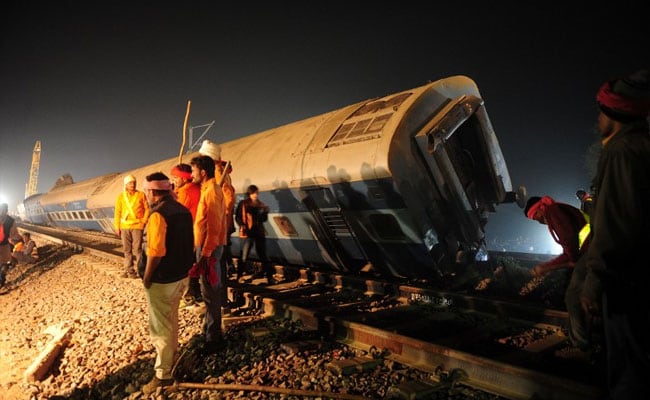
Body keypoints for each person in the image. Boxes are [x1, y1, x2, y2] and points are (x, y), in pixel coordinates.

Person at [583, 69, 650, 399]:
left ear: (615, 113)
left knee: (629, 372)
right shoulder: (641, 146)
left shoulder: (622, 152)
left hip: (627, 281)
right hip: (637, 274)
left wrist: (594, 282)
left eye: (601, 111)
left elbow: (615, 224)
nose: (598, 119)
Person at [139, 172, 195, 394]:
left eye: (146, 192)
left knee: (160, 328)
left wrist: (147, 277)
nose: (146, 195)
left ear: (152, 192)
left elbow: (155, 252)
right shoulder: (183, 210)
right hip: (181, 276)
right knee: (171, 320)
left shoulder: (158, 215)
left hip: (163, 280)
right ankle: (172, 359)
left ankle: (163, 375)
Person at [190, 155, 227, 351]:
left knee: (211, 292)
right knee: (207, 291)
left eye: (194, 171)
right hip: (205, 247)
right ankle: (208, 331)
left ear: (203, 172)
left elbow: (214, 226)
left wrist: (205, 253)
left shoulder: (212, 191)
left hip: (209, 249)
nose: (192, 175)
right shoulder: (207, 189)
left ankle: (214, 339)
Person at [199, 139, 236, 304]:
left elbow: (229, 197)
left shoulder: (218, 173)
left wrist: (220, 213)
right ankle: (219, 299)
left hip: (218, 225)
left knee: (217, 262)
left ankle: (219, 300)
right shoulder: (219, 172)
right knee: (218, 262)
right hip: (220, 223)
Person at [170, 163, 202, 305]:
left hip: (186, 233)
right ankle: (196, 293)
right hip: (196, 232)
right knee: (193, 264)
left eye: (176, 178)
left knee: (186, 266)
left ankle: (190, 295)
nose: (174, 180)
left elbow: (178, 212)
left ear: (183, 179)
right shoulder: (197, 188)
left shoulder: (185, 192)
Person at [235, 184, 273, 284]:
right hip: (247, 233)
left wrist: (265, 213)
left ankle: (269, 277)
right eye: (253, 193)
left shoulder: (260, 204)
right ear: (249, 194)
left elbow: (263, 220)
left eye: (256, 193)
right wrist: (242, 225)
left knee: (263, 255)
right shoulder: (243, 204)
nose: (255, 195)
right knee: (244, 256)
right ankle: (239, 276)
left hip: (258, 232)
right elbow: (238, 217)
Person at [114, 174, 150, 278]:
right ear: (125, 184)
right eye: (130, 183)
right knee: (127, 249)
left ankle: (140, 270)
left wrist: (144, 221)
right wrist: (117, 226)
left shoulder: (141, 195)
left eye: (134, 183)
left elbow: (147, 209)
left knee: (137, 249)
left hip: (137, 226)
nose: (133, 185)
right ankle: (129, 270)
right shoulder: (121, 197)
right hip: (125, 226)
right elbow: (118, 212)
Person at [0, 203, 22, 287]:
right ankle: (2, 279)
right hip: (5, 245)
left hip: (4, 245)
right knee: (4, 263)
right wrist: (20, 239)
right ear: (7, 210)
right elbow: (14, 235)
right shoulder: (10, 220)